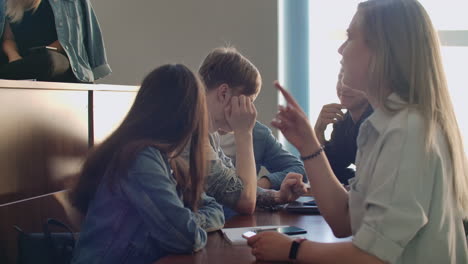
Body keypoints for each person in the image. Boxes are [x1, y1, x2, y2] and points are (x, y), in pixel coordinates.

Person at [247, 0, 468, 263]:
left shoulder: (406, 130)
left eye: (350, 37)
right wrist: (308, 145)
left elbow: (373, 257)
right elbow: (344, 219)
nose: (341, 49)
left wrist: (292, 250)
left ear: (382, 50)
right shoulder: (380, 127)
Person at [69, 64, 224, 263]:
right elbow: (186, 238)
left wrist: (191, 221)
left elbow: (213, 208)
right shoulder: (139, 159)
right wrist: (190, 222)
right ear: (187, 117)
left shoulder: (165, 160)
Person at [194, 47, 307, 215]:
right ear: (224, 93)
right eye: (248, 101)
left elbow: (232, 185)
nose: (251, 111)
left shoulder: (211, 135)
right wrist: (244, 132)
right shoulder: (191, 134)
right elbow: (245, 201)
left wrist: (277, 197)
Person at [0, 0, 111, 82]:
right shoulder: (8, 3)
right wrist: (14, 57)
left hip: (58, 58)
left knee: (49, 60)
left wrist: (42, 51)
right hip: (23, 60)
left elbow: (69, 40)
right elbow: (8, 39)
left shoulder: (68, 3)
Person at [314, 68, 373, 184]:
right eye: (341, 77)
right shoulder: (343, 121)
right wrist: (318, 131)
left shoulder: (377, 121)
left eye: (352, 80)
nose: (344, 86)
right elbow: (331, 169)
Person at [218, 120, 307, 190]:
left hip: (241, 210)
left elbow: (299, 170)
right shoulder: (206, 132)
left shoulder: (257, 133)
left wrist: (264, 183)